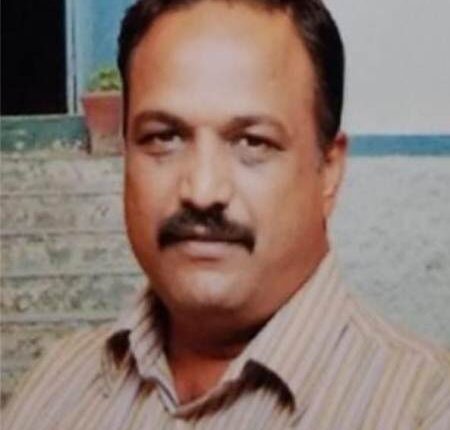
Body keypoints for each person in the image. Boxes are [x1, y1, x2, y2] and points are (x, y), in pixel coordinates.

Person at [4, 0, 449, 428]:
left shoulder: (422, 407)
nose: (202, 191)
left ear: (328, 171)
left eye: (253, 142)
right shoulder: (55, 386)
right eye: (163, 137)